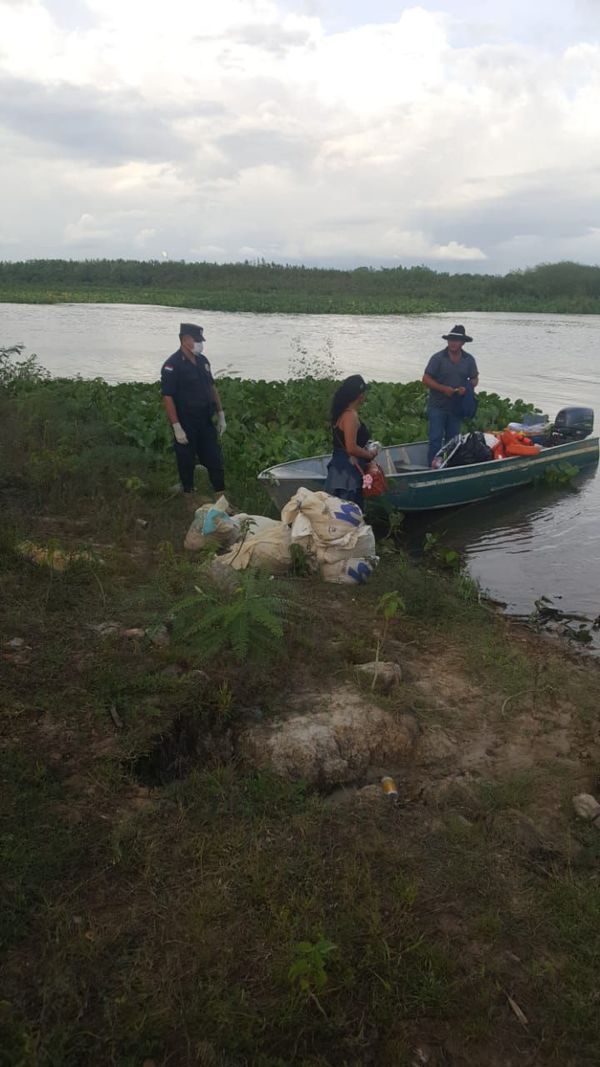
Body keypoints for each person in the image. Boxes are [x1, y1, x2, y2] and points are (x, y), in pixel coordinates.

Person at [161, 323, 227, 495]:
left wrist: (221, 414)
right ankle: (188, 493)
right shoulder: (172, 365)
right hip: (186, 421)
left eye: (200, 340)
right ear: (184, 340)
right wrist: (176, 427)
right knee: (186, 459)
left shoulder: (203, 361)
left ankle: (220, 493)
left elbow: (212, 387)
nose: (199, 344)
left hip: (205, 419)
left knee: (214, 458)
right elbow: (167, 396)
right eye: (196, 340)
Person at [422, 324, 479, 466]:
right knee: (435, 439)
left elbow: (474, 378)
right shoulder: (438, 358)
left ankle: (448, 467)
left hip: (456, 408)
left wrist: (467, 388)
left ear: (463, 343)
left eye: (457, 340)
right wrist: (443, 389)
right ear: (447, 341)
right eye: (451, 339)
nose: (453, 343)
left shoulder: (469, 360)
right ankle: (433, 469)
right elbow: (426, 379)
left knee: (453, 440)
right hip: (437, 406)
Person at [324, 375, 378, 509]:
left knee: (336, 510)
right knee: (349, 512)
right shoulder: (350, 416)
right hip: (348, 473)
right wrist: (369, 454)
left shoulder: (341, 413)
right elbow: (351, 448)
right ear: (360, 396)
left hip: (339, 469)